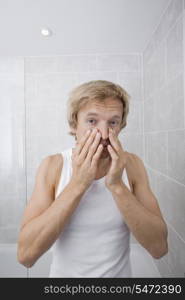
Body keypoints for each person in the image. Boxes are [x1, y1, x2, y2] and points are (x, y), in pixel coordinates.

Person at [17, 80, 168, 277]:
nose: (104, 134)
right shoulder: (53, 166)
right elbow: (26, 256)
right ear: (74, 124)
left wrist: (117, 186)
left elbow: (159, 248)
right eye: (92, 121)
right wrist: (79, 183)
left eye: (113, 122)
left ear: (121, 125)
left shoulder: (132, 165)